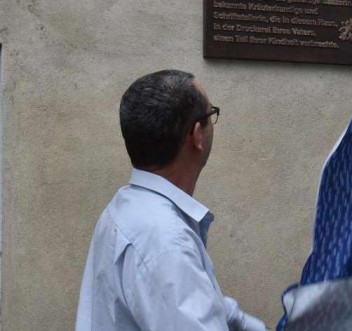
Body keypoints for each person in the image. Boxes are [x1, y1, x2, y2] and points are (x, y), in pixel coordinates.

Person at [76, 70, 267, 331]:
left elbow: (192, 301)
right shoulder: (167, 242)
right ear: (196, 135)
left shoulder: (125, 207)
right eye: (211, 114)